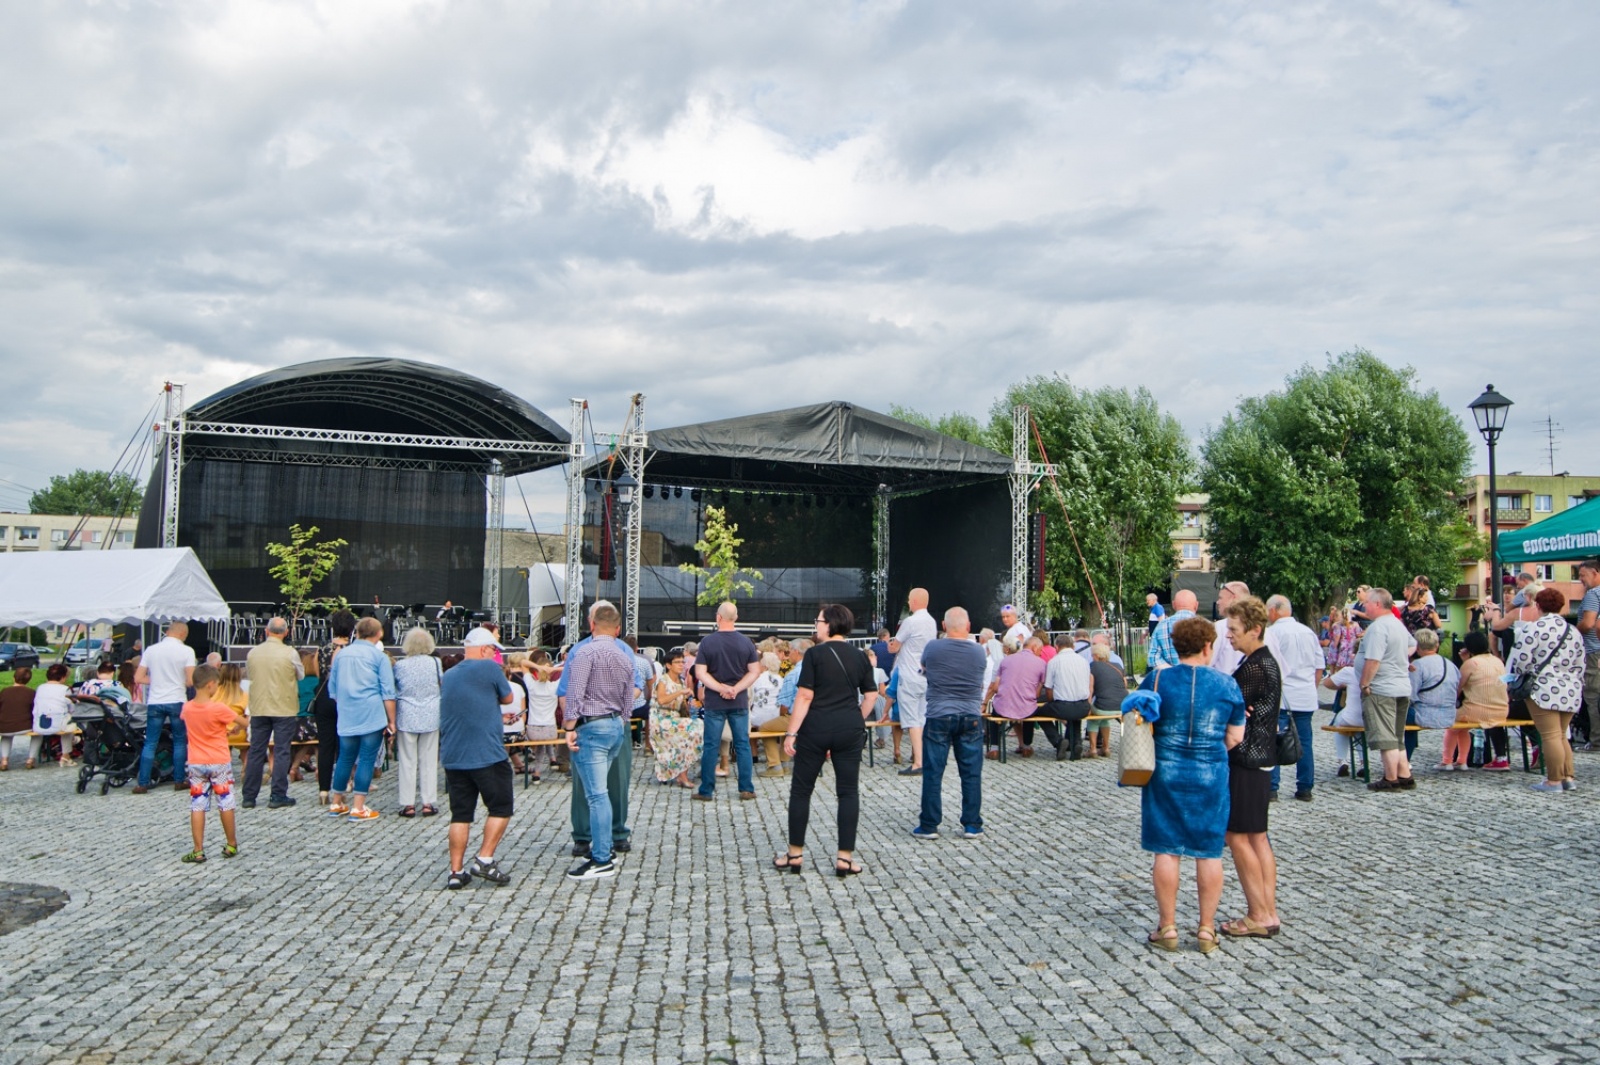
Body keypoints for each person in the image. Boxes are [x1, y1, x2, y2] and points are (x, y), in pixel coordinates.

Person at [1129, 617, 1245, 953]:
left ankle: (1167, 926)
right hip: (1210, 771)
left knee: (1166, 848)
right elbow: (1236, 736)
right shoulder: (1227, 685)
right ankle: (1207, 929)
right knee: (1208, 850)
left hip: (1165, 770)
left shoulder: (1157, 678)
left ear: (1177, 646)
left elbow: (1137, 720)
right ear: (1208, 646)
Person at [774, 603, 878, 876]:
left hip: (816, 728)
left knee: (801, 791)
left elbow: (805, 696)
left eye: (818, 620)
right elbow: (871, 695)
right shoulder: (860, 657)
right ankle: (845, 858)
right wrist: (856, 717)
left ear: (830, 624)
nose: (816, 625)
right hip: (848, 728)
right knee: (848, 792)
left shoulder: (814, 655)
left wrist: (791, 732)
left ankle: (795, 854)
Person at [1218, 597, 1282, 939]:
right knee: (1257, 837)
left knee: (1239, 835)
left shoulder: (1256, 665)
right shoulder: (1261, 661)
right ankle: (1267, 911)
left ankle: (1258, 912)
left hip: (1245, 758)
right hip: (1260, 757)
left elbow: (1229, 704)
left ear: (1255, 630)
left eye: (1234, 629)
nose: (1229, 635)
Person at [437, 626, 515, 888]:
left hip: (454, 754)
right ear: (484, 649)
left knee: (460, 814)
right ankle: (484, 858)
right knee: (501, 807)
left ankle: (456, 872)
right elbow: (508, 696)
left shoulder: (448, 674)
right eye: (494, 650)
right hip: (486, 753)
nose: (496, 655)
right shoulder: (490, 668)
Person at [564, 604, 636, 881]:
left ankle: (601, 858)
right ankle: (605, 845)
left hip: (591, 727)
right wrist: (623, 721)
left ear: (591, 623)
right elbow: (630, 698)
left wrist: (569, 728)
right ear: (618, 628)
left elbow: (575, 695)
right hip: (616, 725)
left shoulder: (584, 653)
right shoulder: (625, 655)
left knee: (596, 796)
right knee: (601, 792)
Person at [911, 607, 988, 841]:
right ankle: (972, 824)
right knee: (971, 773)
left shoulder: (932, 647)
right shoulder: (979, 652)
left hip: (939, 715)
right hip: (970, 716)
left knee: (933, 772)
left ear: (943, 626)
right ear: (968, 626)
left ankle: (929, 825)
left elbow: (924, 669)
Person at [1510, 587, 1585, 793]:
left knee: (1550, 735)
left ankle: (1553, 781)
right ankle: (1568, 777)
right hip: (1570, 688)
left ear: (1538, 605)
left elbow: (1522, 661)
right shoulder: (1573, 631)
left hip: (1543, 688)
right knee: (1561, 735)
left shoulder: (1533, 629)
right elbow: (1580, 663)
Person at [326, 616, 396, 821]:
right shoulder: (379, 657)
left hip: (347, 712)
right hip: (371, 712)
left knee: (344, 758)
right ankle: (358, 807)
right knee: (366, 758)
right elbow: (388, 692)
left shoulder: (341, 655)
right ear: (379, 633)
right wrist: (392, 721)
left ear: (356, 632)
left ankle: (336, 802)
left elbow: (333, 688)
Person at [693, 601, 761, 801]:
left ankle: (706, 790)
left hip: (715, 702)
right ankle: (746, 788)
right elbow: (754, 671)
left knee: (711, 745)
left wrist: (720, 688)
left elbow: (701, 673)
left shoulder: (707, 642)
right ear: (736, 618)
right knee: (742, 745)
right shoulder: (746, 642)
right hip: (738, 701)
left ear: (718, 617)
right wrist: (736, 689)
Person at [178, 664, 245, 863]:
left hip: (196, 762)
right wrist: (230, 729)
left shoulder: (187, 707)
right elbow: (242, 722)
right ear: (210, 684)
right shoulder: (218, 708)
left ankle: (198, 849)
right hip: (219, 761)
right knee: (225, 803)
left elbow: (199, 727)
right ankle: (231, 844)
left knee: (198, 805)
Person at [241, 617, 305, 810]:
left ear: (267, 631)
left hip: (259, 706)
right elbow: (300, 675)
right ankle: (277, 794)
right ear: (286, 632)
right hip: (283, 706)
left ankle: (249, 796)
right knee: (282, 750)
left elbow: (251, 675)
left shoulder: (253, 653)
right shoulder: (290, 653)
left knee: (256, 751)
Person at [1264, 595, 1322, 802]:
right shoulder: (1308, 632)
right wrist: (1311, 687)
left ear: (1273, 611)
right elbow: (1319, 666)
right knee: (1305, 741)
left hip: (1281, 695)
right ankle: (1305, 787)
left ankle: (1272, 788)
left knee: (1274, 740)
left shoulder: (1272, 633)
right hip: (1305, 694)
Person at [1359, 589, 1416, 792]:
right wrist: (1400, 659)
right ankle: (1404, 775)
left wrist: (1365, 683)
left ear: (1376, 604)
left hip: (1382, 687)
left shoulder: (1378, 628)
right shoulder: (1397, 624)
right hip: (1401, 685)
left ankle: (1390, 778)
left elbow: (1373, 659)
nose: (1364, 606)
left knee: (1386, 736)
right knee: (1397, 735)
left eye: (1366, 603)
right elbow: (1413, 645)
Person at [133, 621, 197, 793]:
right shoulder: (187, 651)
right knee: (179, 741)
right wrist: (177, 682)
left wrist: (157, 681)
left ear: (168, 632)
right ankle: (179, 780)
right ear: (183, 634)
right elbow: (191, 681)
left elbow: (138, 678)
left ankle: (143, 782)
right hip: (176, 699)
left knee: (150, 742)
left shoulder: (151, 650)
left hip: (155, 700)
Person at [392, 627, 443, 816]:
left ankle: (408, 804)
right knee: (429, 760)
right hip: (430, 712)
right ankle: (428, 802)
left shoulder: (400, 665)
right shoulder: (435, 662)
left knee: (407, 760)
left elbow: (395, 688)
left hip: (407, 713)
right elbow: (441, 684)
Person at [889, 588, 938, 776]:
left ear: (915, 601)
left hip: (909, 676)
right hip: (925, 676)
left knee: (912, 721)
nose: (908, 603)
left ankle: (918, 762)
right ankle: (925, 757)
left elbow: (895, 646)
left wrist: (891, 646)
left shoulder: (910, 621)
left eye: (909, 600)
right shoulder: (931, 622)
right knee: (922, 718)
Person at [313, 610, 356, 805]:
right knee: (344, 745)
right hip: (345, 699)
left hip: (324, 698)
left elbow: (317, 674)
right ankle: (343, 785)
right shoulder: (355, 650)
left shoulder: (322, 649)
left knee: (325, 746)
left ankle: (323, 790)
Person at [1404, 630, 1463, 769]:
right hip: (1449, 714)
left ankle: (1403, 760)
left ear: (1417, 647)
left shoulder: (1418, 665)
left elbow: (1410, 694)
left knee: (1399, 715)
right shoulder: (1451, 665)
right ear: (1437, 646)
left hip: (1424, 715)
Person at [985, 635, 1046, 758]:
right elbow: (1037, 693)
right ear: (1034, 648)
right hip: (1026, 708)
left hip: (1003, 707)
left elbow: (995, 687)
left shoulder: (1005, 660)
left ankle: (995, 748)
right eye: (1040, 650)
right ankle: (1027, 746)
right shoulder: (1041, 663)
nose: (1041, 653)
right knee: (1031, 708)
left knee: (994, 713)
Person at [649, 647, 702, 787]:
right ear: (668, 665)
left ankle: (685, 771)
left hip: (675, 718)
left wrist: (691, 703)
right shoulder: (663, 681)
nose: (681, 665)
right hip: (661, 719)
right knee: (692, 730)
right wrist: (680, 693)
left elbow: (682, 706)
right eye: (677, 662)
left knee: (699, 728)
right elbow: (661, 700)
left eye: (682, 662)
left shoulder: (681, 681)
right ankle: (682, 775)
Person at [1456, 631, 1510, 769]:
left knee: (1451, 722)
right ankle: (1501, 758)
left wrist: (1464, 661)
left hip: (1475, 711)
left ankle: (1454, 759)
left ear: (1468, 647)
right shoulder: (1497, 661)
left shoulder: (1471, 663)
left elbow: (1457, 689)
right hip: (1501, 711)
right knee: (1493, 721)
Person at [1041, 633, 1093, 761]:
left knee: (1038, 714)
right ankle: (1076, 743)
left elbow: (1048, 689)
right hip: (1083, 706)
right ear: (1073, 646)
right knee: (1074, 714)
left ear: (1057, 647)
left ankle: (1058, 741)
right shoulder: (1083, 661)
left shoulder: (1054, 662)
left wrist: (1052, 701)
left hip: (1063, 706)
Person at [522, 650, 560, 783]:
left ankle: (537, 773)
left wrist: (539, 667)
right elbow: (570, 667)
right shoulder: (555, 686)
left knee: (541, 743)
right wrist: (555, 668)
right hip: (550, 730)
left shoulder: (531, 685)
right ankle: (552, 760)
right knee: (545, 740)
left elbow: (522, 662)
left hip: (533, 729)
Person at [1575, 560, 1600, 751]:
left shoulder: (1593, 594)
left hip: (1593, 650)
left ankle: (1597, 739)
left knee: (1593, 696)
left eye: (1583, 575)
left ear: (1596, 573)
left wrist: (1574, 633)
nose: (1580, 579)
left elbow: (1589, 623)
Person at [1086, 642, 1127, 758]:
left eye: (1093, 655)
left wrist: (1088, 706)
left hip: (1103, 706)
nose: (1092, 657)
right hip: (1121, 706)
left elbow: (1090, 688)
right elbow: (1124, 684)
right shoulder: (1118, 666)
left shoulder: (1093, 666)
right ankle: (1106, 747)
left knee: (1093, 719)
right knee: (1104, 719)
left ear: (1097, 656)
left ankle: (1093, 749)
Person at [749, 652, 786, 775]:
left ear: (764, 666)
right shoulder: (781, 679)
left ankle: (774, 765)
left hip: (758, 718)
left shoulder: (757, 679)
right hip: (777, 716)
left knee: (764, 726)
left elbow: (750, 699)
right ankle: (783, 763)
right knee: (773, 725)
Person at [1148, 590, 1199, 670]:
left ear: (1173, 604)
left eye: (1148, 600)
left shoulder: (1161, 626)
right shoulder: (1207, 627)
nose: (1147, 602)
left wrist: (1173, 672)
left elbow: (1153, 659)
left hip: (1170, 680)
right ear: (1196, 605)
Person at [1210, 581, 1251, 676]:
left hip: (1222, 688)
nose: (1218, 602)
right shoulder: (1265, 630)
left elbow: (1206, 663)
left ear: (1234, 597)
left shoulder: (1219, 628)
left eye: (1220, 598)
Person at [0, 667, 35, 771]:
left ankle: (4, 760)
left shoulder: (4, 691)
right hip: (25, 726)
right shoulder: (31, 692)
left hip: (4, 726)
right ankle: (30, 759)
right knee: (38, 735)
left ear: (13, 677)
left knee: (6, 736)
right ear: (29, 680)